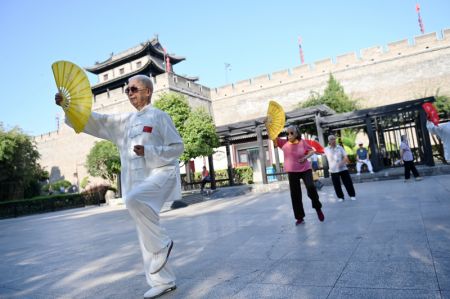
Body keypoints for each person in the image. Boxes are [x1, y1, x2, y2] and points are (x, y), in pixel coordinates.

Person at [55, 74, 183, 299]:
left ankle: (163, 244)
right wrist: (68, 106)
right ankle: (163, 281)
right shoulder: (124, 122)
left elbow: (177, 147)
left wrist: (150, 152)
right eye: (127, 90)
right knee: (144, 230)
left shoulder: (160, 117)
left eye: (134, 89)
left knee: (134, 199)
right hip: (135, 182)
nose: (130, 93)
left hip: (159, 174)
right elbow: (96, 121)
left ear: (148, 92)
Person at [274, 125, 324, 225]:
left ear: (297, 133)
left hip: (305, 169)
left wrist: (305, 157)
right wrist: (267, 125)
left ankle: (318, 208)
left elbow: (311, 151)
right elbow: (273, 136)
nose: (289, 135)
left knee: (311, 188)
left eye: (291, 133)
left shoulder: (303, 142)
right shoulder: (284, 143)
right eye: (287, 133)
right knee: (295, 194)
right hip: (292, 171)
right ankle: (299, 217)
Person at [324, 135, 356, 201]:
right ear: (329, 141)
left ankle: (352, 195)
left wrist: (341, 163)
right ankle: (340, 197)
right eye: (331, 139)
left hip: (343, 168)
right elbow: (318, 152)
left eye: (334, 139)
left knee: (348, 182)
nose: (333, 140)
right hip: (333, 170)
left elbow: (346, 157)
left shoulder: (340, 147)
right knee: (336, 184)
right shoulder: (326, 149)